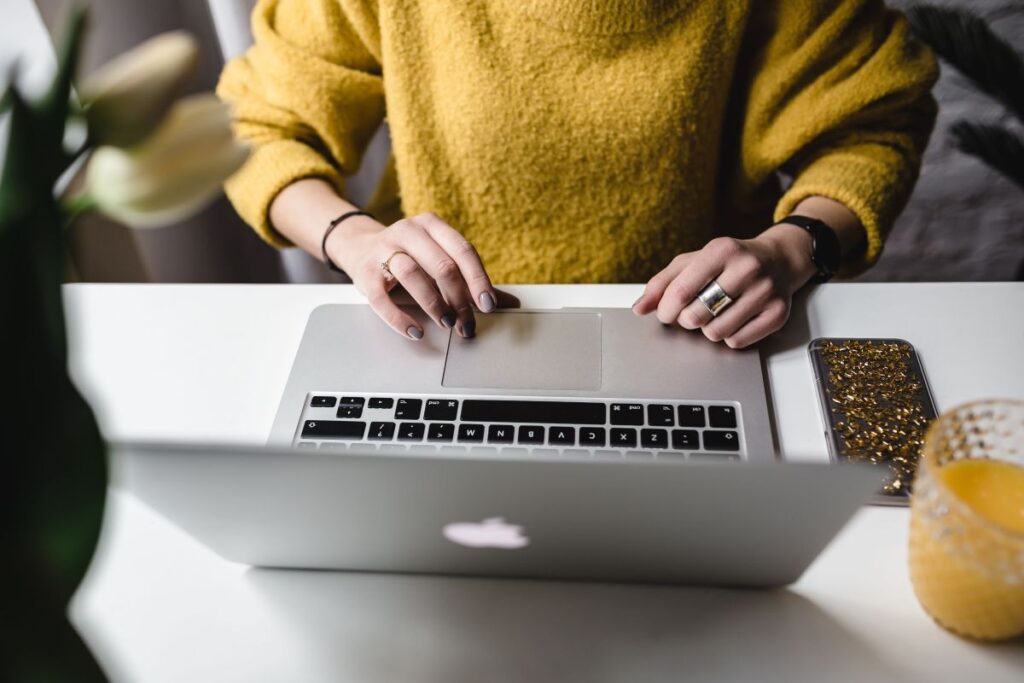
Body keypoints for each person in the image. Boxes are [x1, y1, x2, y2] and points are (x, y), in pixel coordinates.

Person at [218, 0, 936, 346]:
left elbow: (873, 123)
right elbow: (255, 129)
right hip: (437, 333)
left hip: (700, 335)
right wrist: (352, 239)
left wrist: (790, 248)